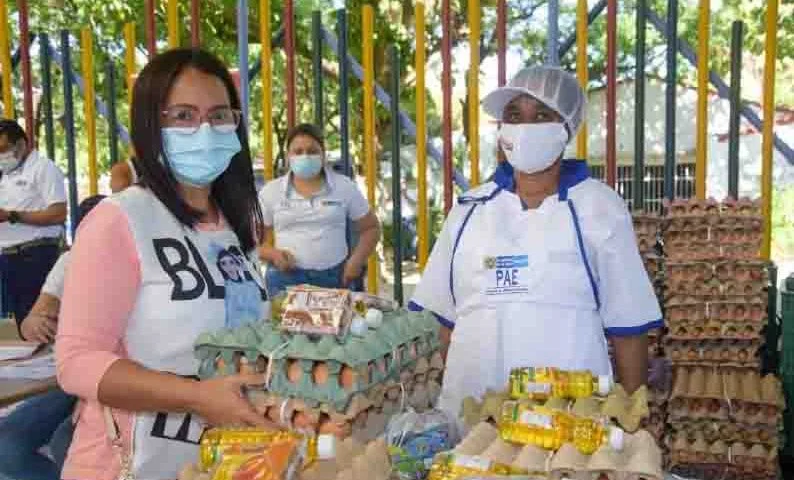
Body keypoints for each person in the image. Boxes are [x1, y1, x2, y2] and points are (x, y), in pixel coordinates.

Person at [55, 48, 275, 480]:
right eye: (183, 116)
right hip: (129, 462)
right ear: (151, 127)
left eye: (218, 115)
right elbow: (77, 362)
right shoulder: (120, 219)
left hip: (221, 460)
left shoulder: (236, 223)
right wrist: (195, 397)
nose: (204, 130)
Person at [408, 66, 662, 419]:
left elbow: (628, 325)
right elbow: (439, 322)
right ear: (501, 129)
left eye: (541, 115)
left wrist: (634, 415)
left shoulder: (600, 208)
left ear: (566, 128)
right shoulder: (468, 210)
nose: (525, 128)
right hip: (472, 420)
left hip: (570, 421)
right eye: (514, 115)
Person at [0, 195, 105, 480]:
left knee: (65, 442)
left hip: (108, 382)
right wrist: (36, 323)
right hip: (68, 380)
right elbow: (34, 318)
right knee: (7, 441)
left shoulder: (136, 263)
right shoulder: (70, 261)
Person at [258, 123, 380, 296]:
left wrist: (356, 261)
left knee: (338, 324)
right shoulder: (271, 191)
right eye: (298, 152)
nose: (305, 156)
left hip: (336, 279)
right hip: (285, 281)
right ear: (288, 156)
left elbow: (371, 228)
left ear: (323, 155)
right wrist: (273, 254)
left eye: (312, 151)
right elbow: (252, 241)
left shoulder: (344, 186)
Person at [0, 119, 66, 336]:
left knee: (42, 324)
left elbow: (58, 214)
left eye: (3, 150)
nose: (1, 156)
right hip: (10, 257)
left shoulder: (43, 168)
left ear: (21, 144)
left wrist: (12, 216)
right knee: (24, 325)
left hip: (36, 255)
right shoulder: (6, 174)